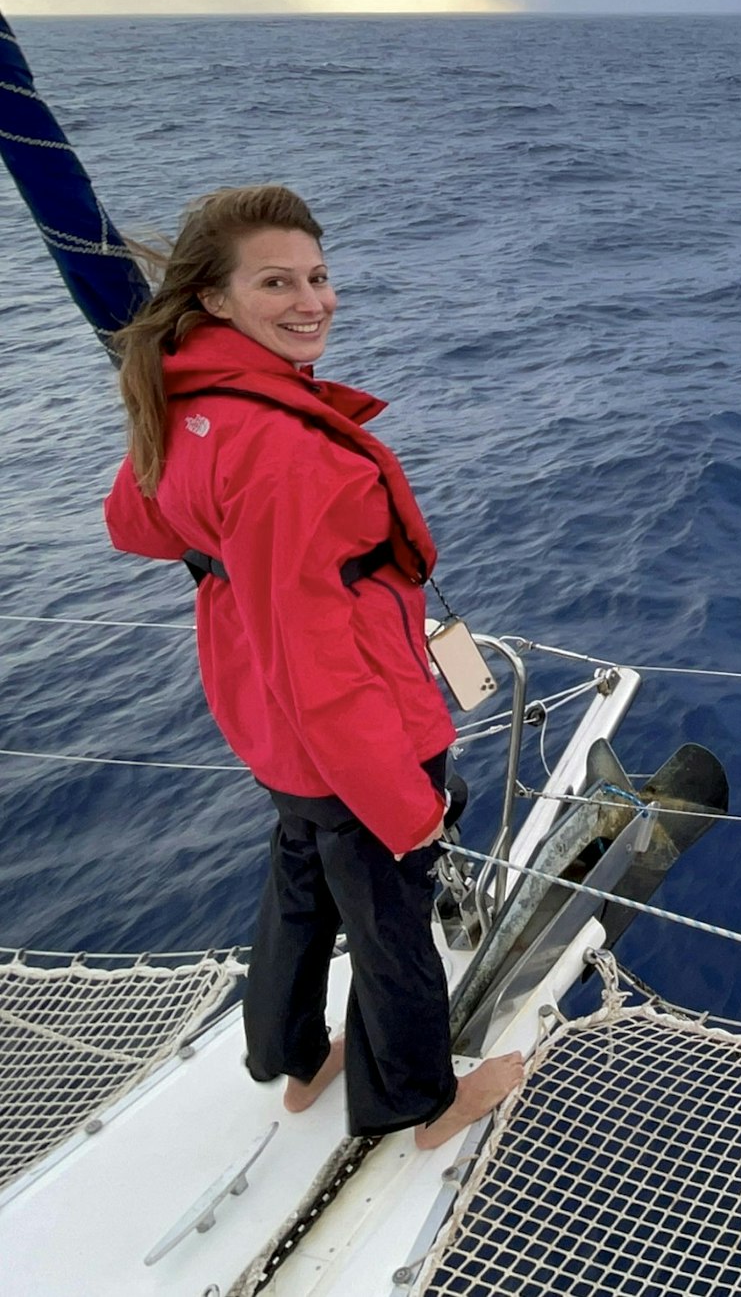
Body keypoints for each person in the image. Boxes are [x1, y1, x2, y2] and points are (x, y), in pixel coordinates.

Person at [103, 184, 522, 1149]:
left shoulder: (190, 405)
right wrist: (404, 804)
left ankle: (292, 1061)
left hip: (266, 727)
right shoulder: (287, 451)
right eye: (276, 283)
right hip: (352, 734)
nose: (312, 301)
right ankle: (418, 1102)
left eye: (319, 277)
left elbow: (134, 522)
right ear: (213, 299)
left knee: (300, 889)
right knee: (390, 918)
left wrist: (173, 441)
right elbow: (318, 658)